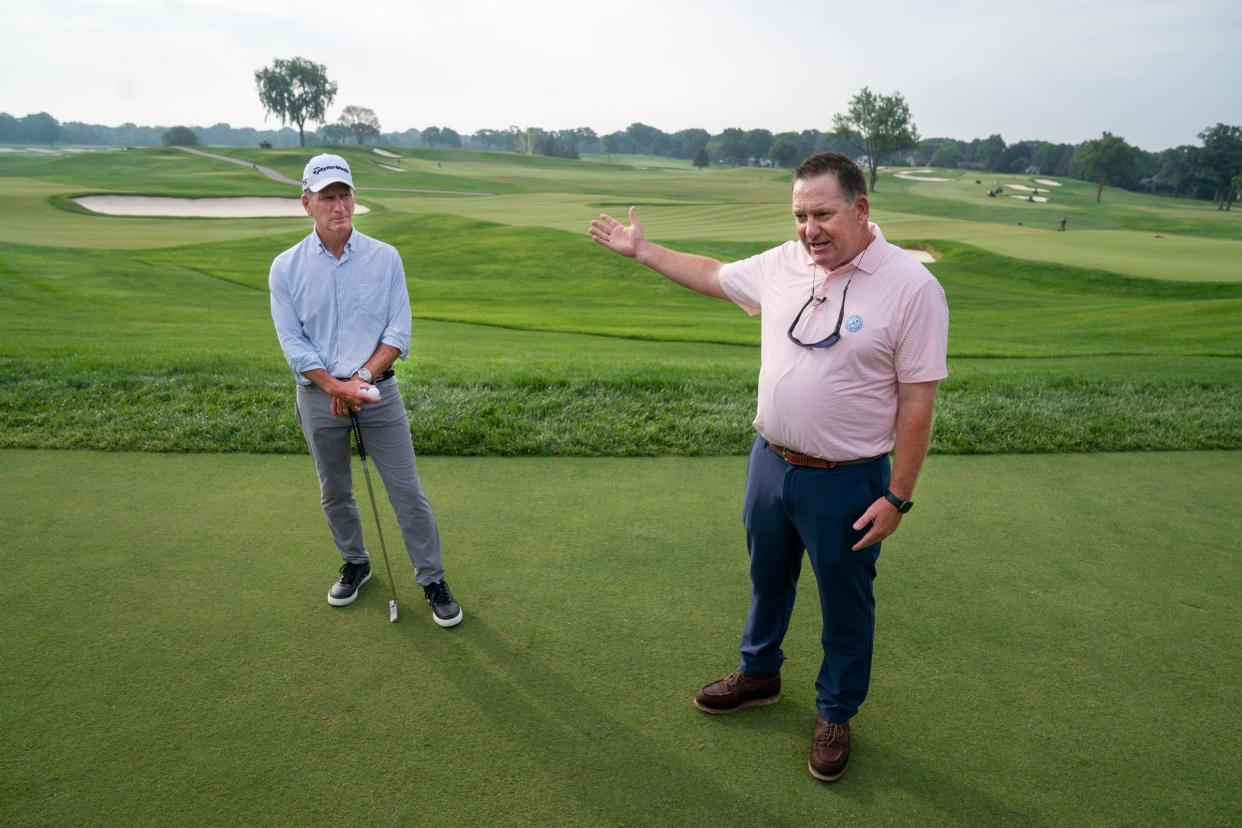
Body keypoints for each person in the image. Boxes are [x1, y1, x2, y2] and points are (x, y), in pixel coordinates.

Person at [589, 152, 948, 782]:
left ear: (861, 209)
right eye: (800, 215)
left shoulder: (913, 287)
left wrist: (897, 496)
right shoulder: (784, 264)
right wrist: (643, 252)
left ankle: (835, 711)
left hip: (849, 478)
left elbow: (919, 398)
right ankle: (758, 675)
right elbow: (713, 274)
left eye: (823, 214)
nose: (810, 229)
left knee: (845, 601)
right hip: (770, 463)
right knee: (767, 577)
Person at [269, 153, 463, 627]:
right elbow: (293, 344)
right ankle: (356, 562)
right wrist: (334, 385)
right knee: (335, 491)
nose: (338, 207)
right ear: (306, 204)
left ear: (355, 198)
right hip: (318, 397)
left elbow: (398, 332)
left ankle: (432, 578)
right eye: (327, 198)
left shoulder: (385, 257)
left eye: (345, 196)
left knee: (407, 492)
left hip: (378, 393)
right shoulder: (285, 268)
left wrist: (358, 382)